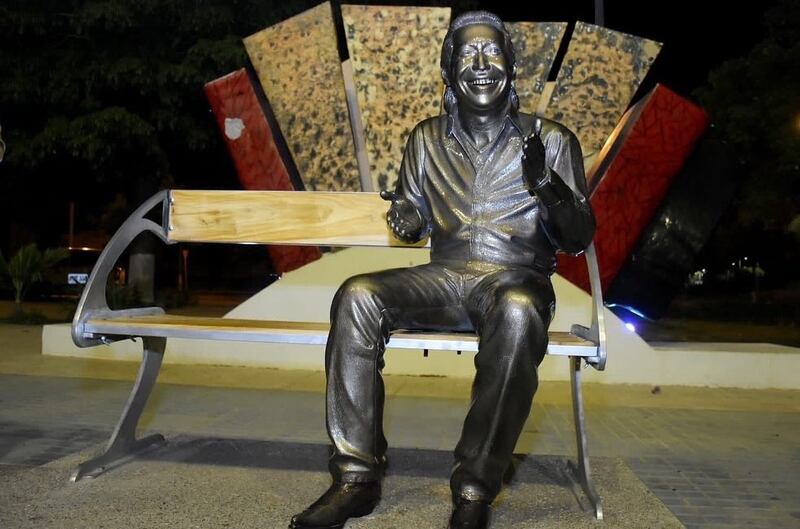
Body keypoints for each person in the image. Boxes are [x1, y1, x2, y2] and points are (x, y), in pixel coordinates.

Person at [290, 10, 595, 529]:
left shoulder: (552, 139)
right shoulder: (426, 139)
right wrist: (407, 218)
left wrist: (546, 183)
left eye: (492, 52)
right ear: (449, 70)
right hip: (447, 276)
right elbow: (411, 219)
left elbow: (579, 236)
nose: (481, 64)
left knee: (520, 312)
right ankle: (355, 479)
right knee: (357, 294)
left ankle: (476, 490)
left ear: (512, 65)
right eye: (467, 54)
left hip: (515, 278)